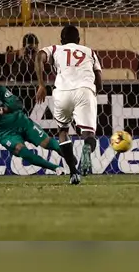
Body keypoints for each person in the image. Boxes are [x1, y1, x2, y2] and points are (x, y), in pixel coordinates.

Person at [0, 69, 71, 176]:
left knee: (47, 143)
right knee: (23, 151)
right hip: (5, 134)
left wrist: (4, 109)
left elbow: (18, 104)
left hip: (21, 122)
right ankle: (56, 168)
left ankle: (73, 163)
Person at [35, 25, 99, 182]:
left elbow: (39, 56)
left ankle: (73, 172)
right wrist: (92, 93)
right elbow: (98, 79)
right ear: (78, 40)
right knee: (89, 135)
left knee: (63, 131)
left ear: (61, 40)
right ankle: (87, 147)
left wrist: (41, 84)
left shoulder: (56, 49)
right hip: (84, 90)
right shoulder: (89, 52)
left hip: (62, 92)